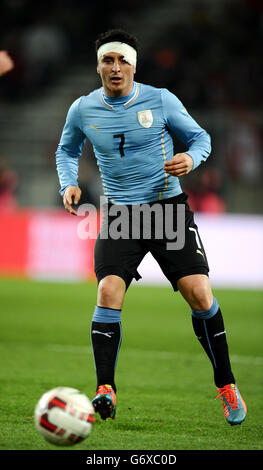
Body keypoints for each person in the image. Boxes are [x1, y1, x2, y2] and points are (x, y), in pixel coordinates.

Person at [55, 29, 247, 426]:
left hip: (167, 210)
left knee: (199, 293)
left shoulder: (160, 99)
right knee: (108, 290)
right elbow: (67, 148)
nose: (115, 67)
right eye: (108, 60)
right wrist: (69, 182)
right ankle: (104, 388)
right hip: (122, 215)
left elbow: (200, 137)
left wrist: (190, 160)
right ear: (98, 66)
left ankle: (226, 384)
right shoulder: (83, 108)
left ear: (133, 66)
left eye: (122, 60)